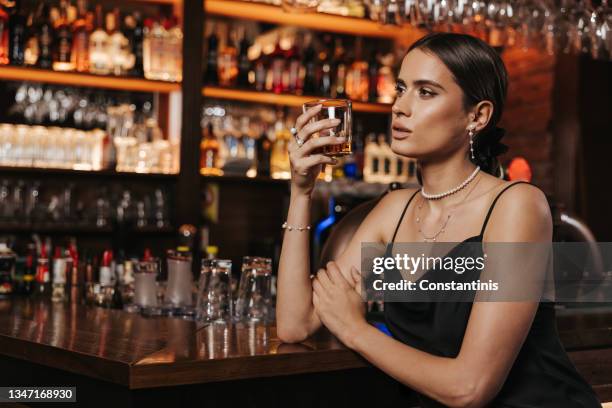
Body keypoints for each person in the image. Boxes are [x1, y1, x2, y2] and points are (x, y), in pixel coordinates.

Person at [276, 32, 601, 407]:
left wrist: (354, 329)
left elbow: (470, 387)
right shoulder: (393, 211)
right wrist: (301, 192)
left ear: (477, 116)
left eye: (426, 92)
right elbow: (295, 324)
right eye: (401, 88)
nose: (400, 107)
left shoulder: (517, 206)